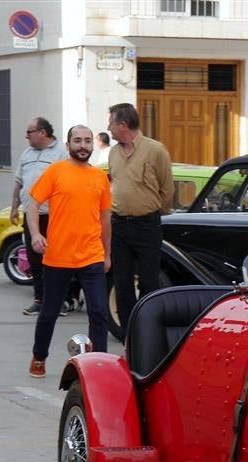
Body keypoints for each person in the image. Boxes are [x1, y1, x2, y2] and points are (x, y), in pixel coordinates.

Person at [26, 125, 112, 379]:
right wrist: (35, 234)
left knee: (99, 312)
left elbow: (105, 219)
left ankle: (100, 364)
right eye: (77, 140)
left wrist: (107, 254)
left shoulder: (99, 177)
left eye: (87, 140)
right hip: (58, 256)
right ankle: (39, 357)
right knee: (50, 312)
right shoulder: (55, 171)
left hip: (92, 255)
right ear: (67, 145)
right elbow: (32, 206)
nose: (83, 145)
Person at [106, 102, 174, 342]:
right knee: (121, 284)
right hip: (119, 226)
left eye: (111, 123)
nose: (108, 128)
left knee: (149, 283)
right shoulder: (113, 153)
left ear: (123, 125)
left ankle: (147, 333)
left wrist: (152, 212)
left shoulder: (155, 150)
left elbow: (167, 189)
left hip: (147, 225)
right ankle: (128, 334)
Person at [10, 117, 68, 316]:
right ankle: (39, 299)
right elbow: (19, 183)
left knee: (54, 260)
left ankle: (58, 301)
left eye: (30, 132)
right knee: (35, 260)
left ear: (42, 132)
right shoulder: (26, 154)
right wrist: (14, 207)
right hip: (31, 215)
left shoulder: (61, 152)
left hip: (53, 215)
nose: (26, 136)